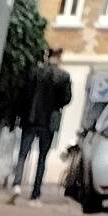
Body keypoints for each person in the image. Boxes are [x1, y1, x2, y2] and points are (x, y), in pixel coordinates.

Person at [23, 53, 72, 200]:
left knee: (23, 153)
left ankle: (16, 184)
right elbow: (67, 98)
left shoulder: (36, 73)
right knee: (42, 158)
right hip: (49, 122)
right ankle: (36, 191)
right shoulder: (63, 76)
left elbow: (26, 92)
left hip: (32, 118)